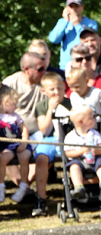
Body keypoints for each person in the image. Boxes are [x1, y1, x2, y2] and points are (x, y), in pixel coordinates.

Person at [31, 72, 72, 216]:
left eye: (59, 88)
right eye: (52, 90)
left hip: (68, 138)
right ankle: (41, 199)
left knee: (74, 156)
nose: (56, 92)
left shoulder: (70, 103)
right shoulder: (41, 106)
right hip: (49, 139)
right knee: (41, 158)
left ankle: (75, 193)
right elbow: (45, 129)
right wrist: (50, 110)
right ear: (44, 91)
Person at [64, 106, 101, 198]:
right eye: (91, 117)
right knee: (74, 167)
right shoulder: (70, 136)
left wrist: (95, 150)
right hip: (79, 160)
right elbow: (68, 153)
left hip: (95, 158)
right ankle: (78, 186)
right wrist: (82, 150)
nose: (94, 119)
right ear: (80, 122)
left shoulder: (94, 134)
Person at [68, 44, 101, 121]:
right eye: (79, 59)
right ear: (72, 62)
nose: (84, 62)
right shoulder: (68, 84)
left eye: (88, 58)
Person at [0, 86, 33, 203]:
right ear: (6, 102)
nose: (16, 107)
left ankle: (23, 186)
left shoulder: (15, 117)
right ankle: (1, 186)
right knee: (2, 159)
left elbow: (24, 130)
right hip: (6, 146)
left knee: (24, 157)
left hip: (19, 143)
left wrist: (24, 142)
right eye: (14, 104)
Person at [48, 0, 99, 70]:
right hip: (65, 66)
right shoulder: (62, 22)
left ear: (82, 7)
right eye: (71, 6)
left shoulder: (91, 24)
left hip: (84, 64)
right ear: (66, 8)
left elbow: (88, 42)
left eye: (77, 6)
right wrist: (65, 21)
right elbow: (53, 39)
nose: (74, 9)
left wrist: (77, 25)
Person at [3, 52, 46, 136]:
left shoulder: (47, 83)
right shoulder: (10, 83)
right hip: (12, 133)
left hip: (39, 134)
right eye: (40, 69)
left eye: (45, 68)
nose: (44, 72)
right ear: (27, 69)